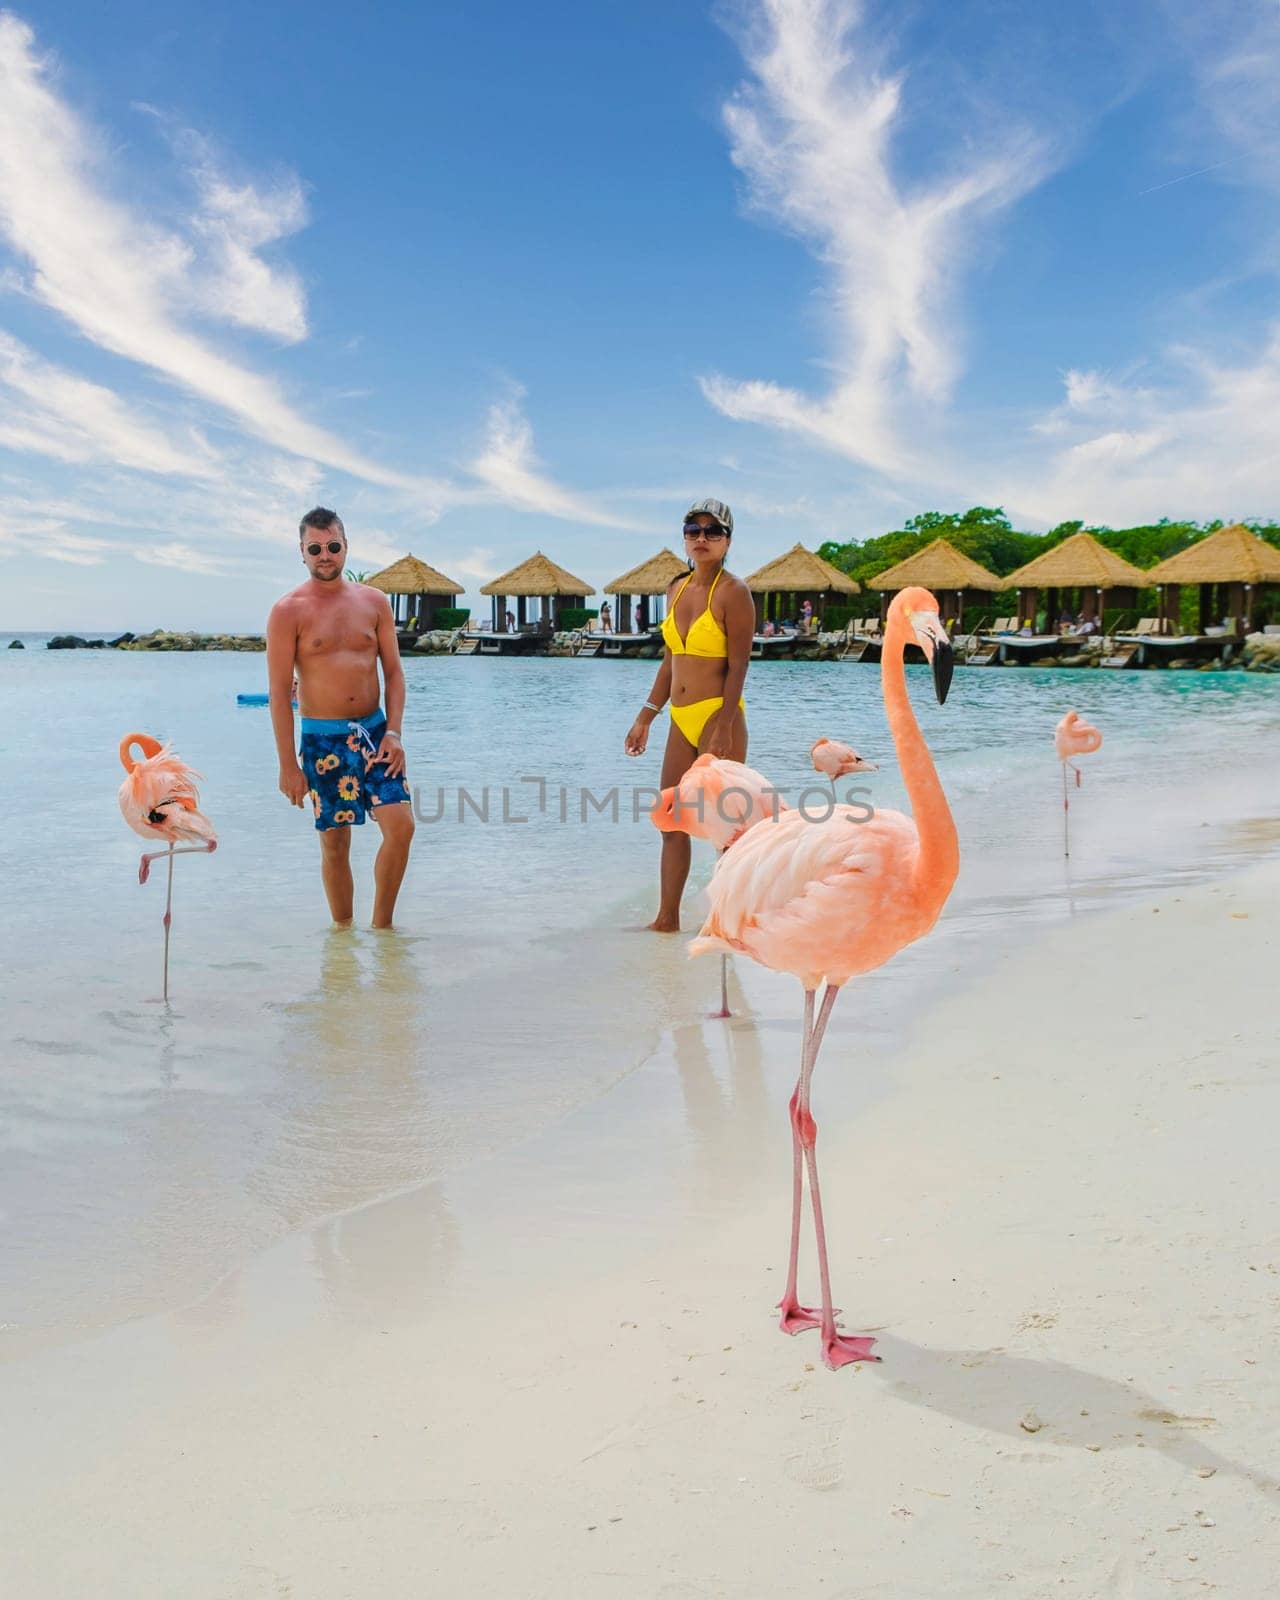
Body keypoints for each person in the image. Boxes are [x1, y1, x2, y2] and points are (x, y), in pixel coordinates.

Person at [267, 508, 415, 929]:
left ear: (346, 546)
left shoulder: (374, 602)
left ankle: (382, 931)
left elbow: (394, 674)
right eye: (315, 549)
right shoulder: (287, 611)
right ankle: (343, 943)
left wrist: (395, 733)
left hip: (375, 735)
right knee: (335, 848)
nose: (325, 555)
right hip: (322, 741)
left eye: (333, 546)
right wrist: (287, 765)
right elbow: (279, 693)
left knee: (401, 829)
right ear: (302, 552)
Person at [624, 498, 754, 931]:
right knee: (671, 818)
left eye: (712, 531)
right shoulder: (675, 588)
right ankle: (667, 918)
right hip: (680, 719)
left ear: (727, 540)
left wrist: (724, 724)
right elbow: (670, 660)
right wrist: (646, 716)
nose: (701, 538)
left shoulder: (734, 593)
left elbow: (738, 665)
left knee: (727, 833)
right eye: (693, 530)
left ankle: (728, 922)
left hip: (719, 716)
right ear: (683, 537)